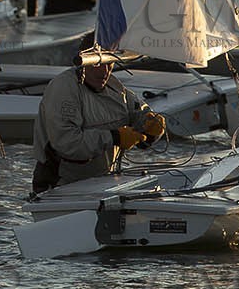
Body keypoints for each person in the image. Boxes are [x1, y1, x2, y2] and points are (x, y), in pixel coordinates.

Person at [31, 50, 166, 194]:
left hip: (104, 184)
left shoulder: (116, 88)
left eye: (109, 64)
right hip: (59, 186)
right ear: (82, 63)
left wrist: (152, 128)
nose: (104, 72)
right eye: (96, 64)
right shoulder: (64, 88)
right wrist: (114, 137)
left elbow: (139, 115)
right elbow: (67, 143)